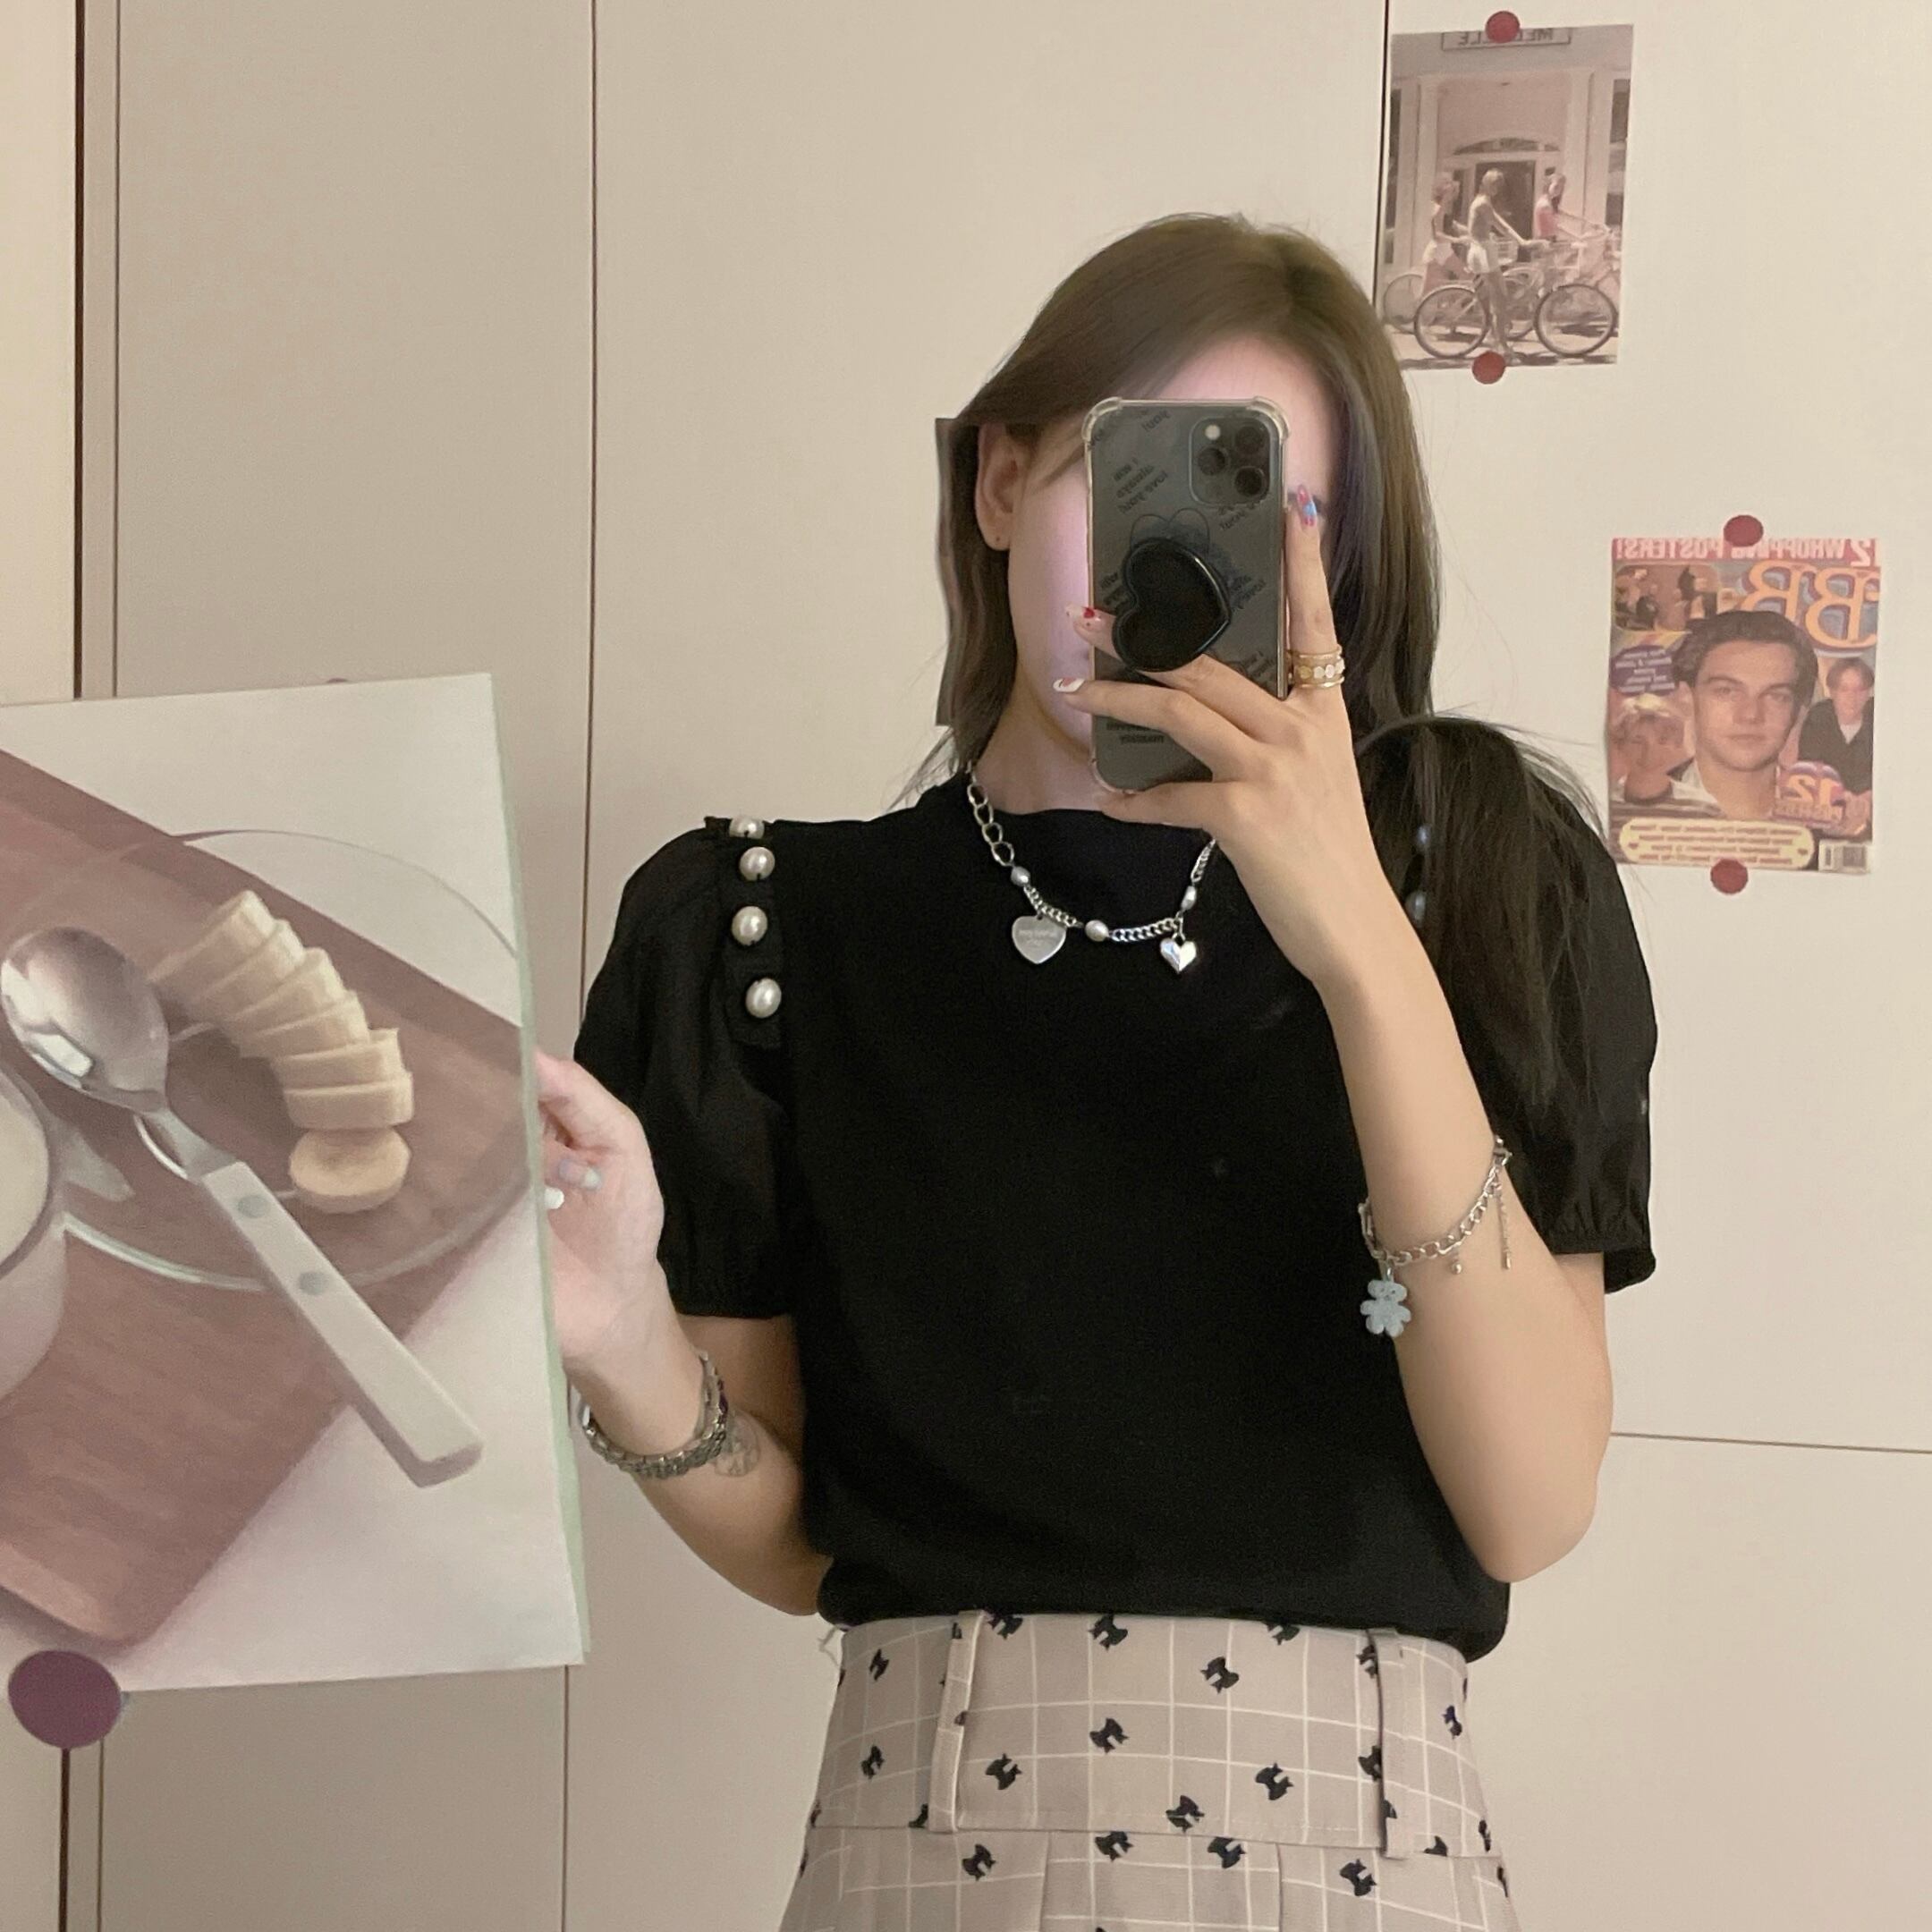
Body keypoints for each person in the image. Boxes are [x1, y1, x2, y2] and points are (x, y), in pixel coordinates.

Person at [537, 213, 1658, 1930]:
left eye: (1270, 507)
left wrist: (1358, 942)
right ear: (1001, 478)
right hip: (926, 1854)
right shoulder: (759, 931)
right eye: (1129, 479)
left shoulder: (1486, 875)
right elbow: (810, 1543)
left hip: (1369, 1858)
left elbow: (1528, 1502)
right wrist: (622, 1339)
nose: (1164, 575)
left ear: (1337, 566)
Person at [1464, 169, 1530, 354]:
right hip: (1483, 253)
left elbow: (1492, 222)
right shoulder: (1483, 203)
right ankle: (1502, 346)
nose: (1496, 188)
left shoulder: (1481, 201)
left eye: (1498, 185)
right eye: (1494, 184)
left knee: (1491, 300)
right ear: (1485, 183)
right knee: (1500, 301)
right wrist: (1521, 241)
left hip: (1480, 250)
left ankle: (1493, 336)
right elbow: (1500, 225)